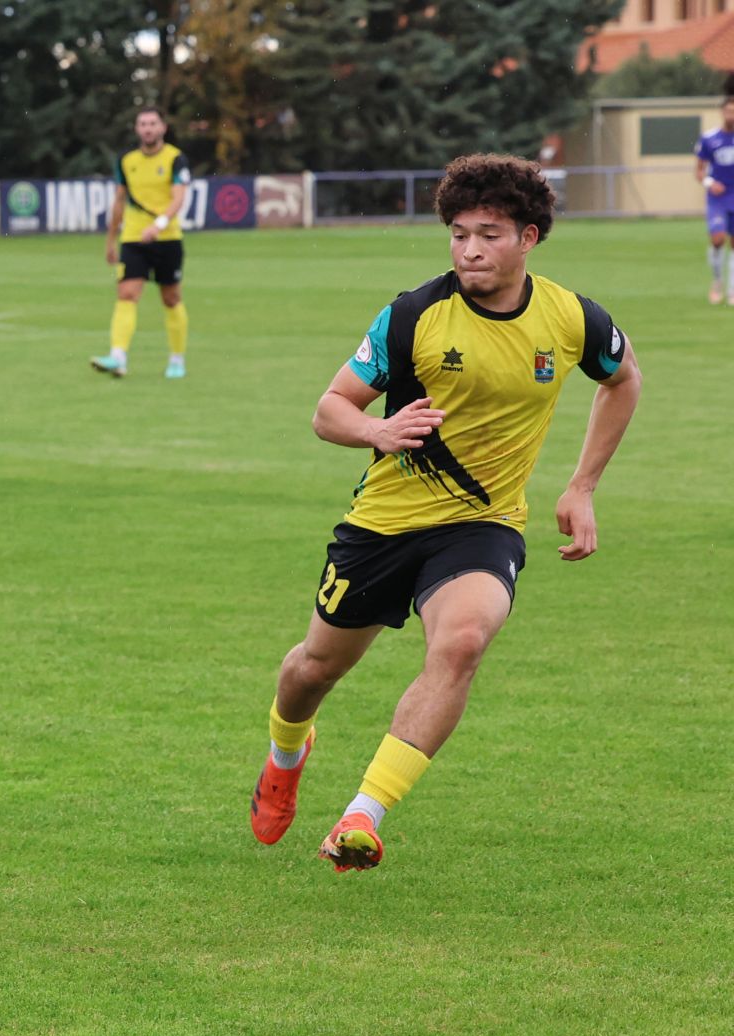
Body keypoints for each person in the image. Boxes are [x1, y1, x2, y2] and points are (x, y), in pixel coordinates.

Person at [246, 154, 642, 872]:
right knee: (312, 670)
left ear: (529, 237)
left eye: (487, 234)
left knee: (461, 643)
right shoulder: (413, 316)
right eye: (458, 234)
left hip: (483, 523)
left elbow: (623, 379)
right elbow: (329, 408)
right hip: (383, 525)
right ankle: (285, 753)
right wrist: (376, 431)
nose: (469, 250)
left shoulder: (571, 317)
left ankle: (362, 817)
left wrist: (582, 485)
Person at [92, 107, 192, 380]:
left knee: (170, 298)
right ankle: (117, 357)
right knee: (126, 293)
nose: (147, 128)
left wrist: (158, 225)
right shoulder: (126, 160)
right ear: (137, 129)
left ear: (163, 128)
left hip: (167, 238)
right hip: (134, 238)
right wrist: (111, 239)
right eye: (142, 124)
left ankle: (176, 358)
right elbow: (119, 200)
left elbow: (178, 198)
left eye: (152, 123)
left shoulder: (175, 158)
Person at [695, 96, 734, 305]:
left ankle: (732, 289)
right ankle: (717, 281)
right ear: (722, 112)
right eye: (728, 111)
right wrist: (710, 183)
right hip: (718, 198)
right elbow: (699, 171)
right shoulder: (710, 139)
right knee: (718, 239)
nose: (731, 115)